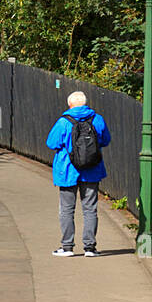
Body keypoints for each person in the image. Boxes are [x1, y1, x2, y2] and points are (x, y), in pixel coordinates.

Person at [45, 90, 110, 257]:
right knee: (90, 209)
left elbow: (51, 143)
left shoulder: (63, 122)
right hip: (92, 170)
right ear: (85, 103)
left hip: (67, 170)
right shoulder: (97, 119)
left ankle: (67, 247)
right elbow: (105, 140)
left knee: (67, 209)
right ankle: (90, 248)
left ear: (70, 104)